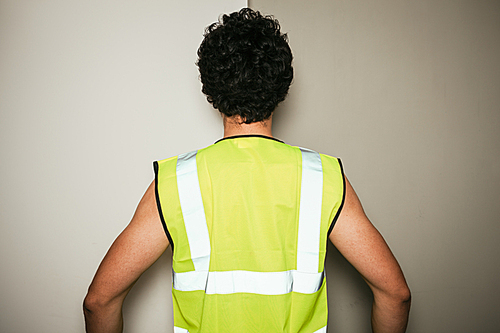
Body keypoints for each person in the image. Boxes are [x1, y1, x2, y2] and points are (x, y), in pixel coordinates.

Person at [83, 8, 411, 333]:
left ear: (212, 91)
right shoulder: (323, 177)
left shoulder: (175, 182)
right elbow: (395, 294)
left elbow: (99, 301)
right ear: (281, 88)